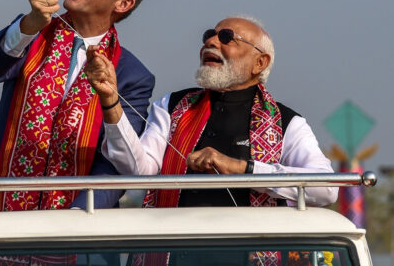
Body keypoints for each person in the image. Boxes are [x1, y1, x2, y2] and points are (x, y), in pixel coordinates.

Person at [0, 0, 154, 212]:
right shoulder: (34, 31)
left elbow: (116, 165)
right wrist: (30, 24)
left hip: (76, 220)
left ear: (123, 4)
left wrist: (76, 217)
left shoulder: (132, 75)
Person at [85, 15, 337, 207]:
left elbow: (326, 189)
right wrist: (110, 101)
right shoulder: (172, 105)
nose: (210, 42)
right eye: (210, 35)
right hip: (173, 246)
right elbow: (137, 171)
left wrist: (241, 169)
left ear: (259, 63)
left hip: (247, 251)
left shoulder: (287, 122)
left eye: (227, 37)